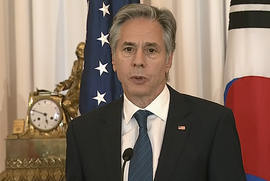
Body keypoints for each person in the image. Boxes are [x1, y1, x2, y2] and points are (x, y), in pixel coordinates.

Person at [65, 4, 246, 181]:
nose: (138, 61)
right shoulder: (83, 132)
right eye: (128, 49)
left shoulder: (212, 124)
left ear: (168, 59)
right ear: (113, 58)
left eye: (151, 50)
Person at [54, 42, 85, 119]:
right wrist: (63, 85)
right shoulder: (76, 63)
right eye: (80, 50)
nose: (82, 52)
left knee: (66, 104)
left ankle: (78, 121)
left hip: (83, 91)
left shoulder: (90, 64)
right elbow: (71, 79)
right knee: (60, 104)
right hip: (74, 91)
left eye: (84, 50)